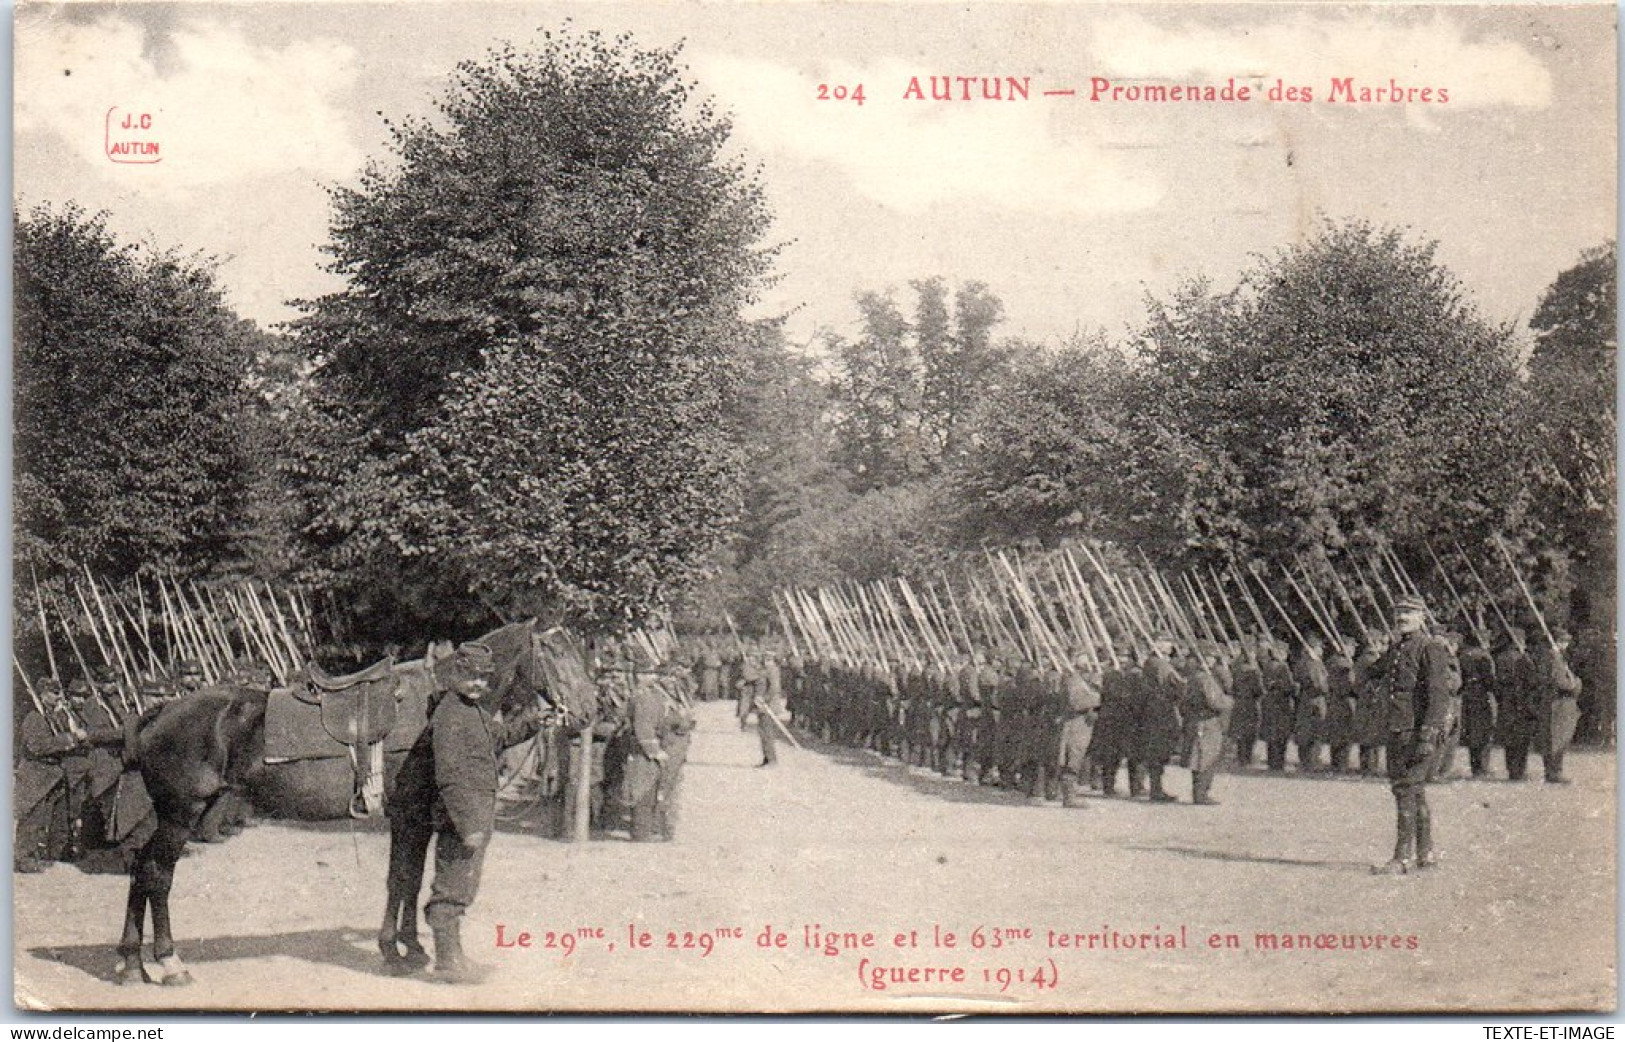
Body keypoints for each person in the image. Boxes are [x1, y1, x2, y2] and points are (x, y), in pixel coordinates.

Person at [385, 642, 509, 983]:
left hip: (474, 814)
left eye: (484, 679)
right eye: (470, 677)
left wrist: (536, 722)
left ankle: (452, 956)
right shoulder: (451, 714)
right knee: (452, 887)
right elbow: (449, 775)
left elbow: (498, 737)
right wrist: (468, 823)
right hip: (462, 818)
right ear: (454, 674)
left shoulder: (473, 712)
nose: (478, 684)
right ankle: (448, 963)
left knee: (464, 884)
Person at [1373, 596, 1455, 875]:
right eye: (1398, 613)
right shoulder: (1398, 648)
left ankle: (1402, 858)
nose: (1402, 618)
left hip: (1416, 731)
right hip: (1397, 728)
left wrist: (1428, 734)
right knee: (1413, 791)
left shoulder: (1430, 648)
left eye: (1408, 613)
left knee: (1406, 789)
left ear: (1421, 616)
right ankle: (1426, 854)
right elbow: (1374, 674)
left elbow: (1438, 695)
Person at [1182, 643, 1234, 805]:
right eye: (1208, 657)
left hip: (1197, 721)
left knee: (1199, 758)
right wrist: (1229, 701)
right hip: (1207, 722)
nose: (1211, 661)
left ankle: (1199, 793)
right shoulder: (1205, 679)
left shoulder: (1194, 677)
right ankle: (1201, 794)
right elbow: (1215, 701)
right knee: (1206, 758)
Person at [1534, 630, 1583, 784]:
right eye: (1562, 641)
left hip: (1555, 702)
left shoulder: (1556, 657)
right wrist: (1574, 684)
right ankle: (1554, 772)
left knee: (1556, 737)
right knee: (1556, 737)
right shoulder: (1553, 658)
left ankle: (1553, 771)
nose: (1566, 644)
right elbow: (1560, 682)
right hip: (1557, 702)